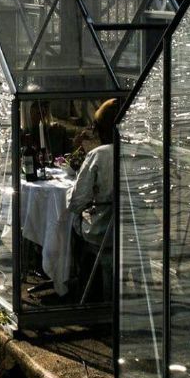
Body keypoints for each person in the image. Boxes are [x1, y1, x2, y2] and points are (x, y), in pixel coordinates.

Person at [66, 98, 119, 300]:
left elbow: (75, 203)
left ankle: (81, 285)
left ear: (100, 129)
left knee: (72, 221)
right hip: (136, 229)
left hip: (103, 232)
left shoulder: (98, 155)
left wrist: (71, 188)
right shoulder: (141, 151)